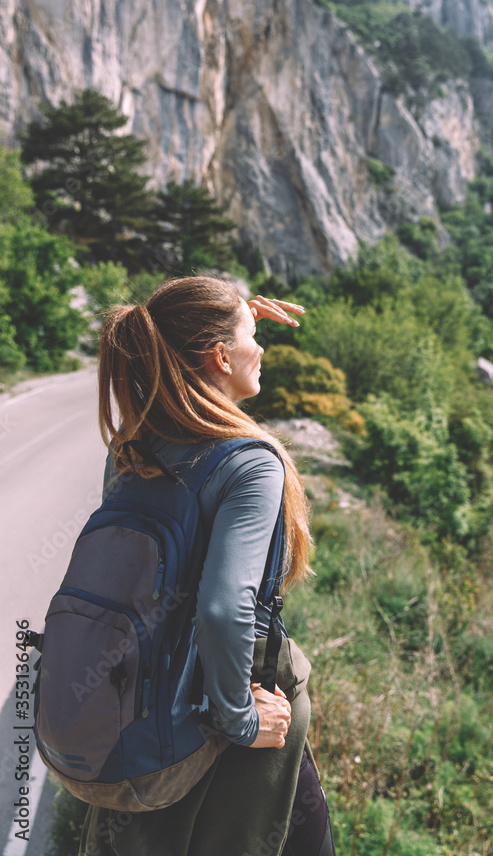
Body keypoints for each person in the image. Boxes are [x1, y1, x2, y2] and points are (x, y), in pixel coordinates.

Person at [78, 275, 335, 856]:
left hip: (142, 702)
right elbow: (224, 610)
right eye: (251, 338)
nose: (262, 348)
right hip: (237, 710)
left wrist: (236, 315)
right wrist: (240, 721)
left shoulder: (132, 447)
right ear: (219, 356)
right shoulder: (250, 464)